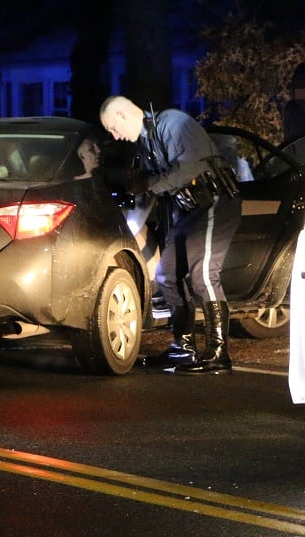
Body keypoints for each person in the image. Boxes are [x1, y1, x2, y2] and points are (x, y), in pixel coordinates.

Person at [100, 95, 242, 375]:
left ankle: (218, 354)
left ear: (122, 115)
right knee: (167, 275)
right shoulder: (145, 144)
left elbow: (188, 168)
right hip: (189, 210)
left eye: (113, 128)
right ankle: (183, 348)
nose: (115, 136)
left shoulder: (172, 123)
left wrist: (149, 184)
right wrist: (127, 232)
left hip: (214, 202)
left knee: (203, 275)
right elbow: (146, 194)